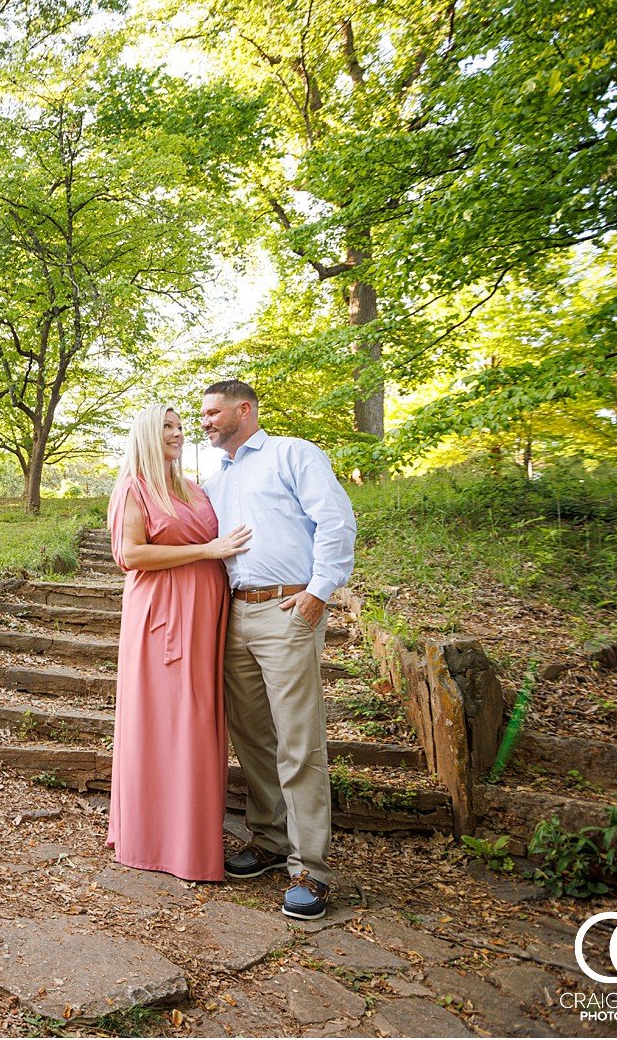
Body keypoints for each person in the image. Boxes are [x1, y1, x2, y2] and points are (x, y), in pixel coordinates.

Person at [199, 379, 356, 920]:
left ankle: (310, 867)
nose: (205, 422)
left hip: (288, 610)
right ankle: (267, 839)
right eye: (202, 415)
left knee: (298, 736)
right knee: (251, 734)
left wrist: (319, 591)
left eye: (213, 413)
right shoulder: (214, 481)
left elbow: (335, 521)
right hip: (234, 613)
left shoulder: (294, 454)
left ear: (244, 410)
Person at [106, 403, 252, 881]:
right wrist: (207, 550)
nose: (179, 432)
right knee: (167, 719)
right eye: (167, 426)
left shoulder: (195, 488)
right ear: (148, 432)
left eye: (181, 425)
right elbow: (130, 553)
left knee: (199, 719)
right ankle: (153, 840)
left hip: (206, 611)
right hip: (161, 616)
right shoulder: (134, 485)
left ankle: (192, 836)